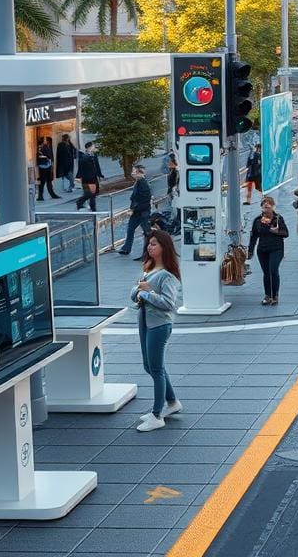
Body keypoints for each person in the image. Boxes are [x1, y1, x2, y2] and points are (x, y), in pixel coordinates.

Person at [131, 230, 182, 432]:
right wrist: (139, 291)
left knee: (156, 368)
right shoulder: (149, 268)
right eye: (149, 244)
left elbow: (168, 303)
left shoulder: (167, 276)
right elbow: (134, 291)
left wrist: (147, 292)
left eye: (154, 244)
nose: (149, 247)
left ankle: (157, 414)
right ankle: (171, 402)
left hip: (159, 325)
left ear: (164, 247)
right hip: (145, 321)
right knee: (150, 366)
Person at [248, 196, 289, 306]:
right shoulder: (257, 220)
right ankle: (267, 295)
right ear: (261, 207)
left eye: (269, 203)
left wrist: (276, 231)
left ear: (273, 206)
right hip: (262, 250)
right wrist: (250, 250)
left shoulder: (278, 219)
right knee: (266, 273)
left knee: (273, 270)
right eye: (264, 203)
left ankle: (275, 295)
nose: (266, 205)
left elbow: (286, 233)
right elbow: (254, 236)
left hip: (276, 249)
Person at [119, 164, 152, 258]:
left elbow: (144, 200)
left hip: (142, 212)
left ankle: (148, 252)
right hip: (137, 212)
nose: (132, 172)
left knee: (147, 232)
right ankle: (126, 248)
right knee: (130, 229)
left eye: (134, 171)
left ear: (138, 172)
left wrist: (134, 209)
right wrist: (132, 209)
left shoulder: (143, 183)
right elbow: (135, 198)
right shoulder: (138, 182)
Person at [75, 142, 104, 212]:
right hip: (87, 178)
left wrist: (100, 174)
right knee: (90, 193)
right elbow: (80, 167)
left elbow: (97, 165)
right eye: (93, 146)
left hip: (94, 177)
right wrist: (78, 177)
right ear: (89, 147)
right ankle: (89, 206)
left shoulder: (94, 155)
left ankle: (86, 204)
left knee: (94, 192)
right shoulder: (83, 156)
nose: (94, 147)